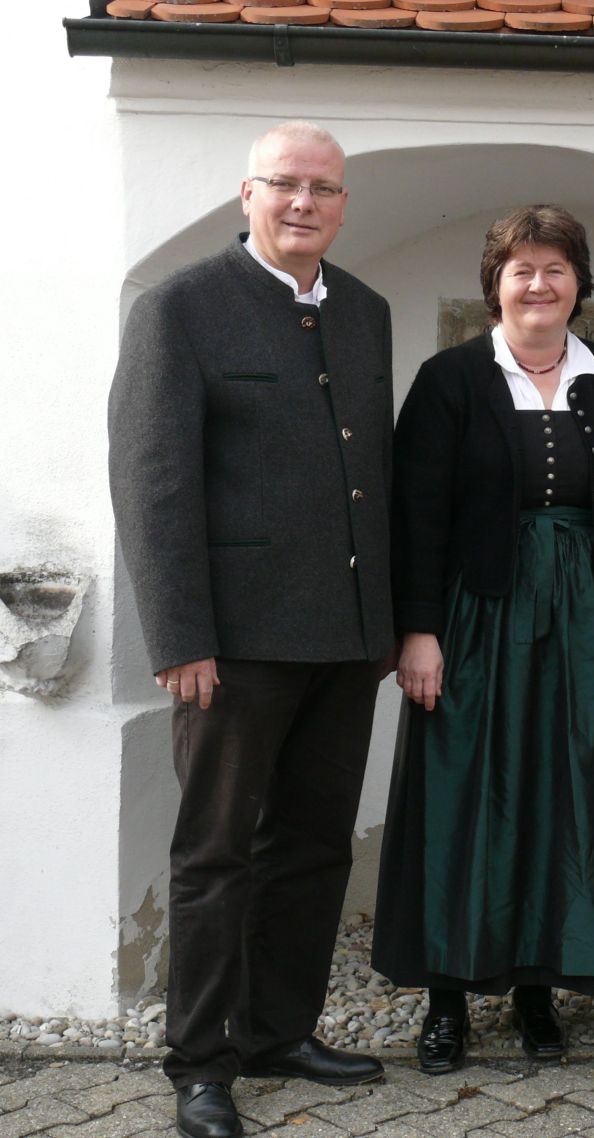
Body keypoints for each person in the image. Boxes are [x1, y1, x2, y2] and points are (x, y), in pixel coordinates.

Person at [108, 122, 393, 1138]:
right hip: (230, 648)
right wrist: (179, 633)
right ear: (247, 193)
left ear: (342, 204)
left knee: (311, 848)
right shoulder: (180, 308)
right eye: (285, 185)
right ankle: (200, 1062)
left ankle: (279, 1031)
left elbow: (370, 479)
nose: (304, 203)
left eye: (323, 189)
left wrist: (387, 627)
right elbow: (153, 483)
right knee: (215, 854)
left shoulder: (365, 310)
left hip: (345, 641)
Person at [372, 204, 594, 1075]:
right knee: (463, 798)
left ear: (577, 285)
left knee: (565, 794)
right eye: (520, 269)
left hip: (583, 625)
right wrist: (419, 632)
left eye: (555, 269)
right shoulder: (451, 379)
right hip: (477, 618)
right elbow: (416, 516)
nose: (538, 284)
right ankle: (447, 997)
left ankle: (537, 988)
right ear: (495, 285)